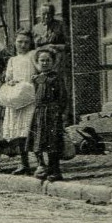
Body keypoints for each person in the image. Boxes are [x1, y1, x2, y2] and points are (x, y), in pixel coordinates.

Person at [0, 29, 39, 175]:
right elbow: (8, 77)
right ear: (14, 43)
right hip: (17, 97)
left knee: (31, 130)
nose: (22, 45)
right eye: (19, 42)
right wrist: (10, 81)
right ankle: (24, 163)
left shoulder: (33, 55)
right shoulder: (12, 60)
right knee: (19, 133)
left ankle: (41, 162)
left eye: (26, 42)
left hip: (30, 97)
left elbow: (39, 69)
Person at [30, 47, 67, 181]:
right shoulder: (36, 79)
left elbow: (63, 97)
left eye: (48, 60)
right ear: (37, 62)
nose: (44, 63)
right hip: (39, 114)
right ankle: (41, 167)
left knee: (53, 144)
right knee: (38, 142)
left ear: (53, 62)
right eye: (42, 61)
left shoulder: (56, 78)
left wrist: (60, 113)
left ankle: (54, 170)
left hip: (52, 114)